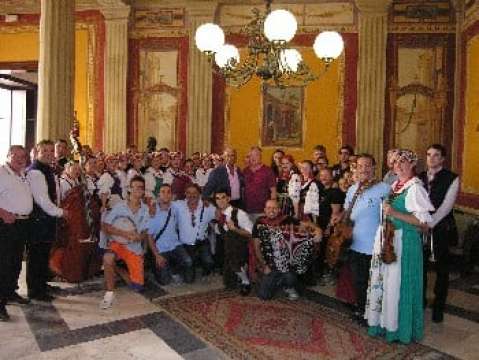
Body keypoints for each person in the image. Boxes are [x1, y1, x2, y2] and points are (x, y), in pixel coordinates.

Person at [366, 149, 434, 344]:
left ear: (412, 165)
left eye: (403, 162)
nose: (399, 166)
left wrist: (394, 213)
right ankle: (384, 324)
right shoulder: (395, 185)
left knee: (400, 285)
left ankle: (400, 329)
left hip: (404, 242)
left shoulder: (415, 189)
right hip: (388, 238)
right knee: (387, 285)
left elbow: (423, 223)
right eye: (396, 163)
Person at [344, 154, 390, 324]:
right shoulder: (352, 189)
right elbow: (346, 213)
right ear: (355, 168)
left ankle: (376, 314)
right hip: (355, 243)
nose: (364, 169)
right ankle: (362, 310)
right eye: (360, 166)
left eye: (367, 166)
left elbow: (389, 217)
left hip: (375, 245)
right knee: (358, 280)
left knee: (376, 283)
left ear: (374, 168)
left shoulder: (385, 188)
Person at [418, 144, 459, 323]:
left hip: (441, 228)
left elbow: (446, 207)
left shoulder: (452, 178)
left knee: (442, 271)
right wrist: (422, 222)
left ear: (442, 159)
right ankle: (420, 302)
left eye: (436, 155)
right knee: (421, 268)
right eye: (428, 155)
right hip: (421, 227)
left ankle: (438, 307)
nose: (431, 158)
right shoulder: (419, 177)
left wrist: (431, 223)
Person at [252, 200, 322, 301]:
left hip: (288, 264)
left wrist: (318, 231)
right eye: (269, 208)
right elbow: (256, 247)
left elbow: (308, 225)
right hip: (271, 263)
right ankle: (280, 280)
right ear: (264, 210)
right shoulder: (259, 223)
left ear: (279, 210)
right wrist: (264, 265)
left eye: (275, 208)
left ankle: (288, 286)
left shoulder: (287, 219)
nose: (272, 210)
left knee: (290, 276)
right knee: (264, 295)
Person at [99, 176, 150, 309]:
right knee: (108, 258)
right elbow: (105, 226)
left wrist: (140, 236)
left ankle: (116, 268)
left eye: (141, 188)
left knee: (137, 287)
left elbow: (145, 231)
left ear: (144, 191)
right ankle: (109, 293)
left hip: (135, 248)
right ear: (130, 189)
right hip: (118, 244)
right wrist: (124, 234)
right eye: (136, 187)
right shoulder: (119, 206)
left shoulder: (146, 209)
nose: (139, 189)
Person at [27, 140, 68, 301]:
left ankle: (42, 284)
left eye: (51, 151)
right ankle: (35, 291)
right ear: (37, 152)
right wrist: (61, 212)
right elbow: (42, 200)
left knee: (44, 254)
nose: (49, 154)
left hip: (46, 220)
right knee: (36, 256)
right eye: (45, 151)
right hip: (39, 220)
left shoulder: (46, 170)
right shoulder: (36, 172)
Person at [0, 146, 33, 321]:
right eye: (16, 156)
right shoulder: (2, 173)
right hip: (6, 225)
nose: (21, 159)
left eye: (23, 156)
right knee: (4, 264)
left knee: (15, 262)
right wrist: (3, 213)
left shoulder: (22, 174)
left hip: (22, 223)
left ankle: (10, 292)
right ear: (8, 156)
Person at [147, 184, 193, 285]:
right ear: (158, 194)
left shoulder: (175, 207)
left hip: (175, 245)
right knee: (165, 281)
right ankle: (158, 267)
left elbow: (191, 201)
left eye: (168, 192)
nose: (166, 194)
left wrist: (206, 201)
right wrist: (157, 255)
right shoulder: (152, 212)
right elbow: (149, 237)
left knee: (188, 262)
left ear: (171, 195)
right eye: (163, 191)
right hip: (161, 248)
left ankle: (173, 269)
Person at [214, 189, 253, 294]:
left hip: (241, 247)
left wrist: (235, 229)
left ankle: (246, 282)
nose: (220, 201)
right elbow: (219, 232)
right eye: (217, 198)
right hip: (228, 248)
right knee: (228, 283)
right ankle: (239, 274)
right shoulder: (219, 214)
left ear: (228, 198)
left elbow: (250, 233)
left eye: (223, 197)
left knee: (234, 262)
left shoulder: (239, 213)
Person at [173, 184, 216, 281]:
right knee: (189, 280)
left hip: (201, 243)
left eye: (195, 193)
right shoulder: (178, 205)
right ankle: (185, 266)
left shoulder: (207, 207)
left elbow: (219, 213)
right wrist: (154, 206)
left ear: (199, 194)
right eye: (188, 193)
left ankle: (206, 272)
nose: (191, 195)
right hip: (185, 244)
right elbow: (165, 204)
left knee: (209, 262)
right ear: (185, 194)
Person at [243, 146, 277, 220]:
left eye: (256, 155)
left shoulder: (268, 171)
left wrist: (272, 209)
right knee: (248, 231)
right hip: (246, 210)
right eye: (251, 155)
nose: (253, 158)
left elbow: (273, 191)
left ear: (260, 157)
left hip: (262, 211)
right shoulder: (245, 171)